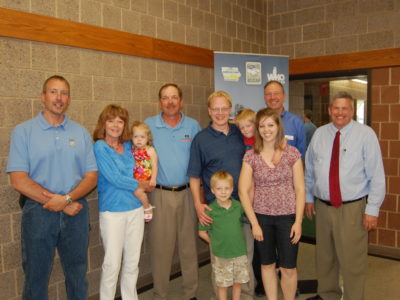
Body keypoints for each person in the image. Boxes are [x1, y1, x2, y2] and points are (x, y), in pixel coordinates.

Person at [6, 75, 98, 300]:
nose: (59, 97)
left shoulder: (81, 133)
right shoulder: (23, 131)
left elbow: (91, 177)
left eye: (64, 93)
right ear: (43, 97)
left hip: (76, 209)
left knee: (77, 275)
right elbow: (18, 180)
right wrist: (57, 202)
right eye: (54, 92)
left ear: (69, 98)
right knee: (36, 277)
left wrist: (66, 200)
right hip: (38, 212)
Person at [305, 92, 385, 300]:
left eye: (345, 108)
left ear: (351, 111)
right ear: (330, 110)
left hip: (352, 208)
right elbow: (310, 170)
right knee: (325, 257)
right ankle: (328, 294)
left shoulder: (366, 134)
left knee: (352, 260)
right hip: (323, 207)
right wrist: (308, 197)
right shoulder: (320, 134)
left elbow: (376, 174)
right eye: (336, 108)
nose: (340, 112)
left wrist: (372, 209)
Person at [188, 91, 254, 300]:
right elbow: (194, 177)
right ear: (209, 111)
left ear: (230, 110)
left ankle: (245, 296)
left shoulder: (240, 133)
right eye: (215, 109)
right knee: (222, 263)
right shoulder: (201, 139)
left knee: (245, 257)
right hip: (217, 212)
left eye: (224, 108)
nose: (219, 113)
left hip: (242, 207)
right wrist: (198, 205)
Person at [238, 108, 305, 300]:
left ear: (278, 127)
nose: (266, 130)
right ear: (257, 129)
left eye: (270, 125)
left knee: (288, 267)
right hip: (262, 219)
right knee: (267, 265)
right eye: (262, 126)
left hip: (288, 218)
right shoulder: (251, 156)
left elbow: (300, 189)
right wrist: (255, 223)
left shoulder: (292, 153)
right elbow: (243, 191)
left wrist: (298, 221)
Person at [144, 83, 201, 300]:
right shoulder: (149, 126)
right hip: (160, 194)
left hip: (188, 193)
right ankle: (160, 294)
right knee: (161, 249)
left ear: (181, 101)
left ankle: (191, 293)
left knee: (189, 248)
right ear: (160, 102)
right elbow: (139, 159)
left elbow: (199, 160)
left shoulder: (193, 125)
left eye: (174, 97)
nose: (170, 102)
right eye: (165, 98)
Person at [93, 104, 150, 300]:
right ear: (103, 123)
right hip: (112, 212)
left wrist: (148, 180)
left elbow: (147, 158)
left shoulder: (128, 146)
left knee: (132, 264)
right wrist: (139, 184)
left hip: (135, 209)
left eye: (120, 121)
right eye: (111, 120)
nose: (115, 125)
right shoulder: (100, 147)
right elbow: (114, 178)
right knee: (112, 265)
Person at [199, 171, 250, 300]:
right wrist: (213, 242)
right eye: (219, 188)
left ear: (232, 189)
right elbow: (201, 232)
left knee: (237, 283)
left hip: (239, 252)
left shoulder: (238, 207)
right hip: (221, 255)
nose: (223, 192)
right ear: (212, 190)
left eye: (227, 188)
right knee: (222, 285)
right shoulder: (210, 211)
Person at [264, 80, 306, 158]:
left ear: (284, 96)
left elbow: (301, 155)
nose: (272, 97)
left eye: (276, 93)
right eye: (268, 94)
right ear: (264, 97)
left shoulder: (296, 122)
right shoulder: (257, 121)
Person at [131, 121, 158, 222]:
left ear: (148, 138)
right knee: (134, 192)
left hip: (146, 177)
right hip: (136, 177)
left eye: (142, 137)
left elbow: (155, 165)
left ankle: (147, 208)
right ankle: (143, 206)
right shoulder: (133, 149)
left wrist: (154, 179)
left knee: (138, 191)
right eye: (135, 136)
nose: (138, 140)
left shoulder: (150, 150)